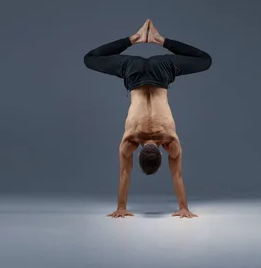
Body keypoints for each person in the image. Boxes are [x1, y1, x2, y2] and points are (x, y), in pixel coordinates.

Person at [84, 19, 212, 218]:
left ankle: (156, 39)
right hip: (133, 71)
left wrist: (183, 208)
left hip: (162, 71)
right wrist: (121, 208)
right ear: (138, 152)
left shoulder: (169, 141)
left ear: (161, 154)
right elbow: (124, 174)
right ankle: (138, 38)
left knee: (205, 60)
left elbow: (175, 175)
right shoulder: (131, 139)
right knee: (91, 58)